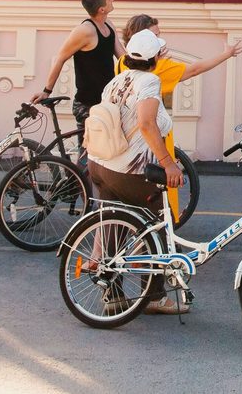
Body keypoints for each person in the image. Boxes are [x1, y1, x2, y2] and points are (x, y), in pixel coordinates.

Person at [90, 28, 186, 315]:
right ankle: (154, 296)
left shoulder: (115, 81)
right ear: (154, 57)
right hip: (129, 170)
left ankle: (114, 296)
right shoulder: (150, 81)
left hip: (101, 165)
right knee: (155, 225)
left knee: (115, 226)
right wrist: (168, 162)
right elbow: (146, 123)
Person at [119, 13, 242, 219]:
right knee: (159, 201)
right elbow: (194, 70)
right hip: (150, 144)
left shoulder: (123, 61)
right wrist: (227, 54)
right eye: (155, 36)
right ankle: (162, 237)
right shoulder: (157, 69)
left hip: (125, 138)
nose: (159, 39)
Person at [32, 0, 121, 126]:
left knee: (110, 146)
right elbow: (60, 58)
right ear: (101, 9)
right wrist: (46, 91)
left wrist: (144, 63)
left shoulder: (109, 25)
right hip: (87, 104)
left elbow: (122, 57)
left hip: (107, 100)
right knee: (88, 148)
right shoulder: (84, 31)